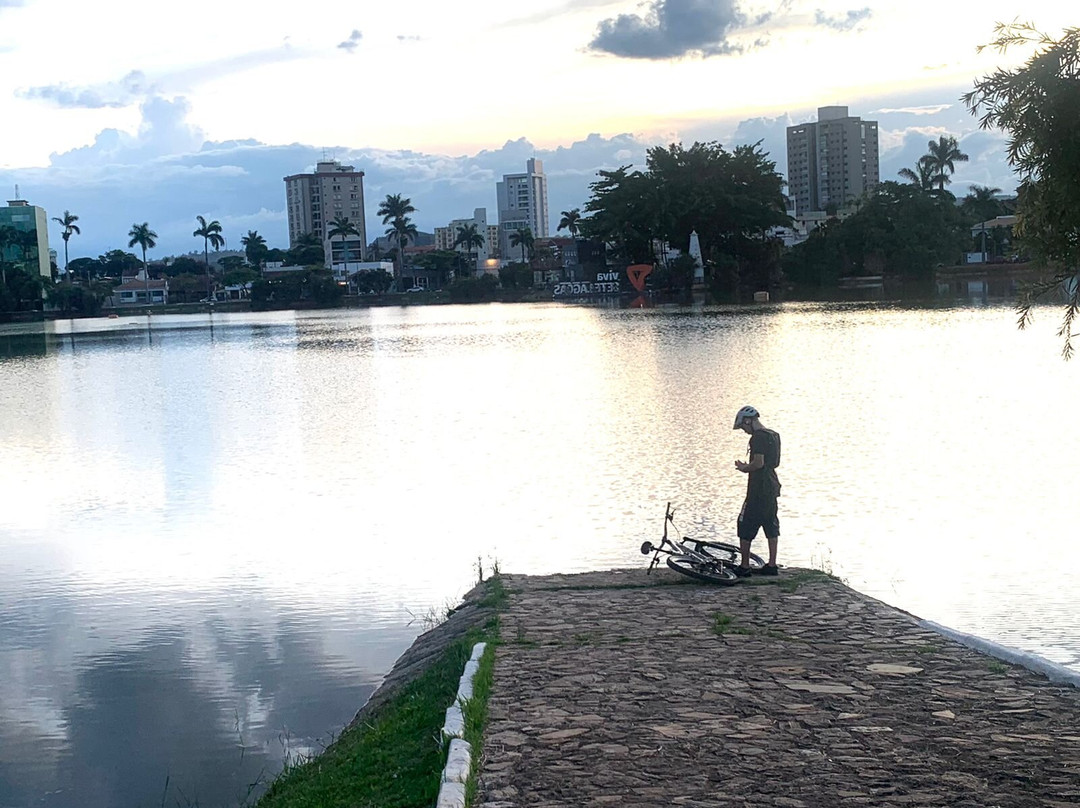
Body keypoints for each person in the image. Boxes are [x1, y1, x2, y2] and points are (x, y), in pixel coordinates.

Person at [732, 405, 781, 576]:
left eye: (743, 427)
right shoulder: (773, 435)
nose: (744, 431)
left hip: (758, 488)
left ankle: (744, 566)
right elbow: (772, 462)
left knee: (744, 523)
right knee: (771, 523)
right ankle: (772, 565)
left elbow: (758, 463)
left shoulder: (757, 438)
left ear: (748, 421)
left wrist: (745, 468)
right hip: (772, 486)